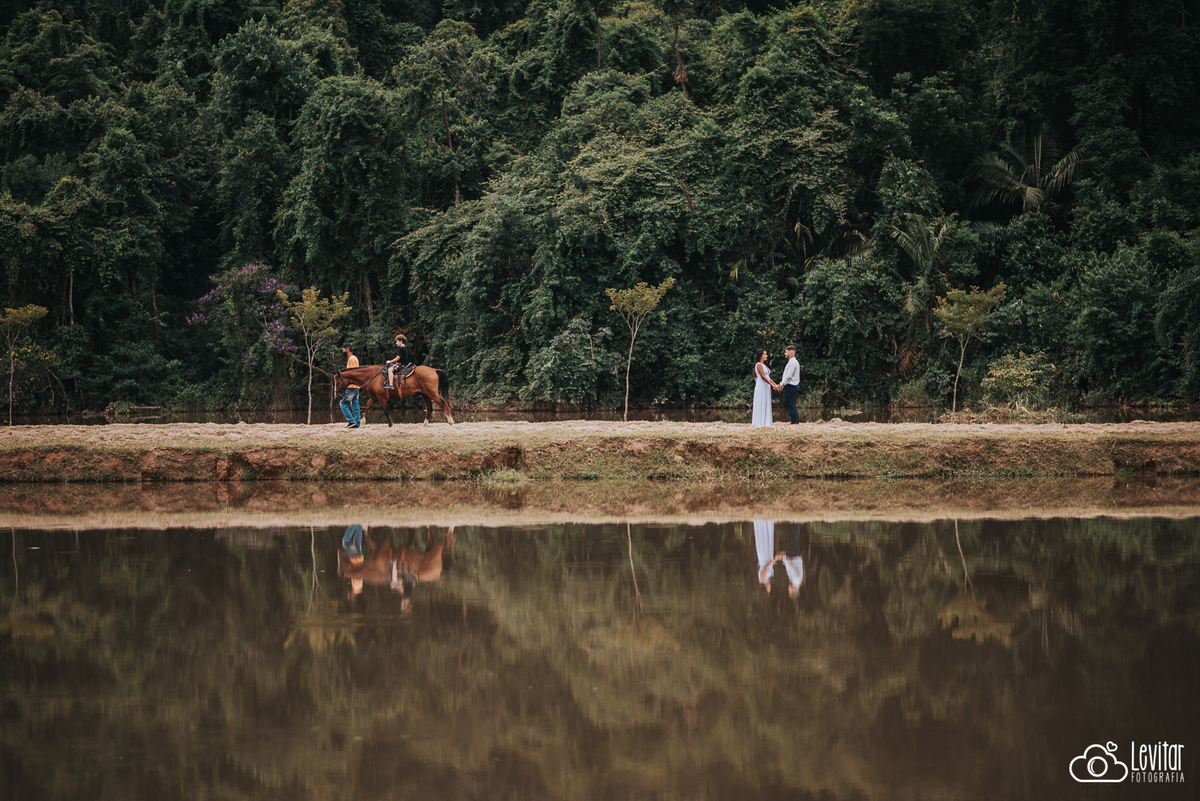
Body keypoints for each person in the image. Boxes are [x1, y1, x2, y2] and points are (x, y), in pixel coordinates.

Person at [751, 349, 780, 427]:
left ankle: (766, 422)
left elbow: (768, 377)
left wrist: (775, 384)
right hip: (761, 386)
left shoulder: (764, 365)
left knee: (766, 401)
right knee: (761, 401)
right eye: (764, 354)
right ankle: (759, 422)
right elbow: (763, 376)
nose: (766, 356)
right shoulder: (758, 365)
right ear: (760, 356)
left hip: (766, 386)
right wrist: (772, 385)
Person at [340, 344, 361, 428]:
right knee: (355, 404)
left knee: (343, 403)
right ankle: (357, 423)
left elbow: (352, 373)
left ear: (347, 350)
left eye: (343, 350)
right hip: (357, 385)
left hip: (352, 386)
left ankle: (351, 421)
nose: (343, 352)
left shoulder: (351, 359)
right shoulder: (355, 358)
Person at [779, 345, 801, 425]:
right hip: (791, 385)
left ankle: (794, 422)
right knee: (792, 404)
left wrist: (781, 384)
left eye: (786, 352)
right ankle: (795, 421)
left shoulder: (792, 362)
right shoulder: (793, 362)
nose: (785, 353)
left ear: (790, 353)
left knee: (790, 405)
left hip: (790, 386)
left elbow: (788, 376)